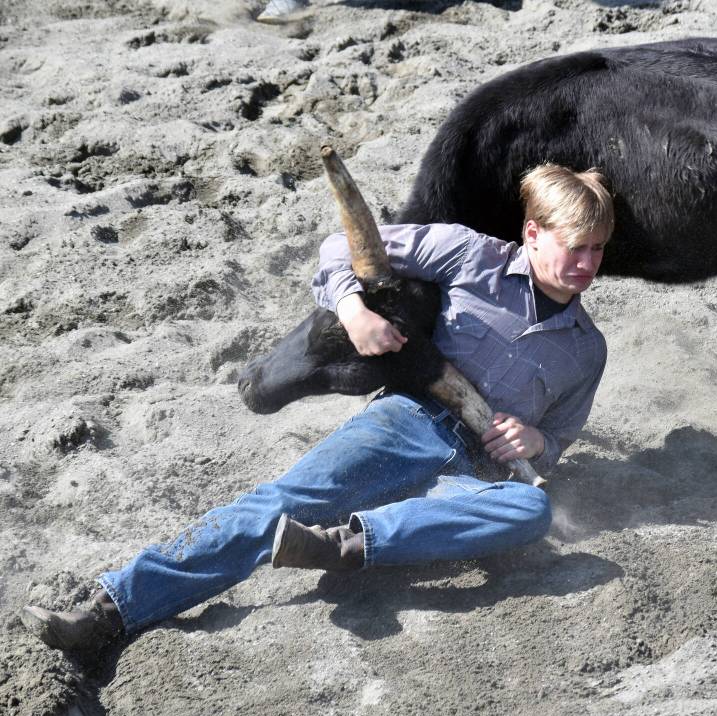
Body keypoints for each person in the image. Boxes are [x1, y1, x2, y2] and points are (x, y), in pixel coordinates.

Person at [20, 164, 613, 655]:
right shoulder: (468, 256)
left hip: (473, 477)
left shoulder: (587, 350)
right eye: (575, 247)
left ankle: (346, 544)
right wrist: (354, 311)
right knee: (278, 504)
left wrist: (536, 441)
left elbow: (558, 437)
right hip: (406, 425)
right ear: (533, 233)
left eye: (597, 251)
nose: (586, 265)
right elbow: (339, 249)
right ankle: (109, 611)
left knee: (531, 510)